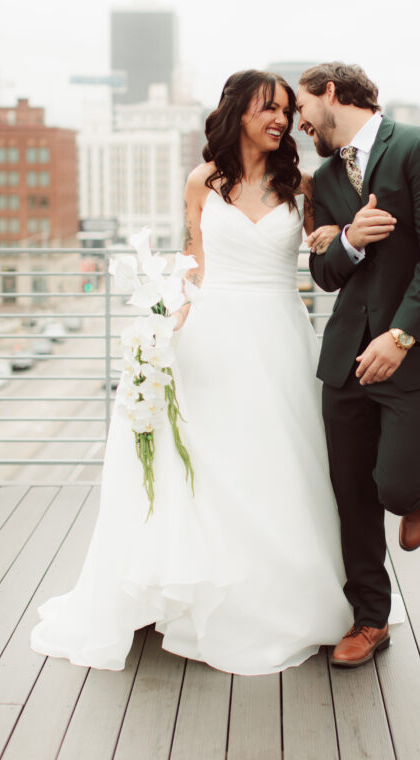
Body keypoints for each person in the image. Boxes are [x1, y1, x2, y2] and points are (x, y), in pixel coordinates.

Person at [31, 69, 354, 675]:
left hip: (280, 335)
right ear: (237, 112)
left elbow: (322, 253)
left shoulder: (303, 183)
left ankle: (281, 597)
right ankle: (204, 589)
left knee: (281, 462)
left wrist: (332, 235)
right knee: (211, 463)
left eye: (287, 110)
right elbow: (197, 265)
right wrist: (163, 325)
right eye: (268, 108)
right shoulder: (202, 181)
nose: (281, 119)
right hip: (212, 335)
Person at [296, 62, 420, 668]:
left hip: (417, 352)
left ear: (331, 92)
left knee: (394, 489)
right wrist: (350, 239)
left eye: (303, 108)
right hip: (347, 357)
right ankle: (369, 620)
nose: (299, 123)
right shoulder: (324, 179)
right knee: (350, 494)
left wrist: (400, 336)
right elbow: (325, 273)